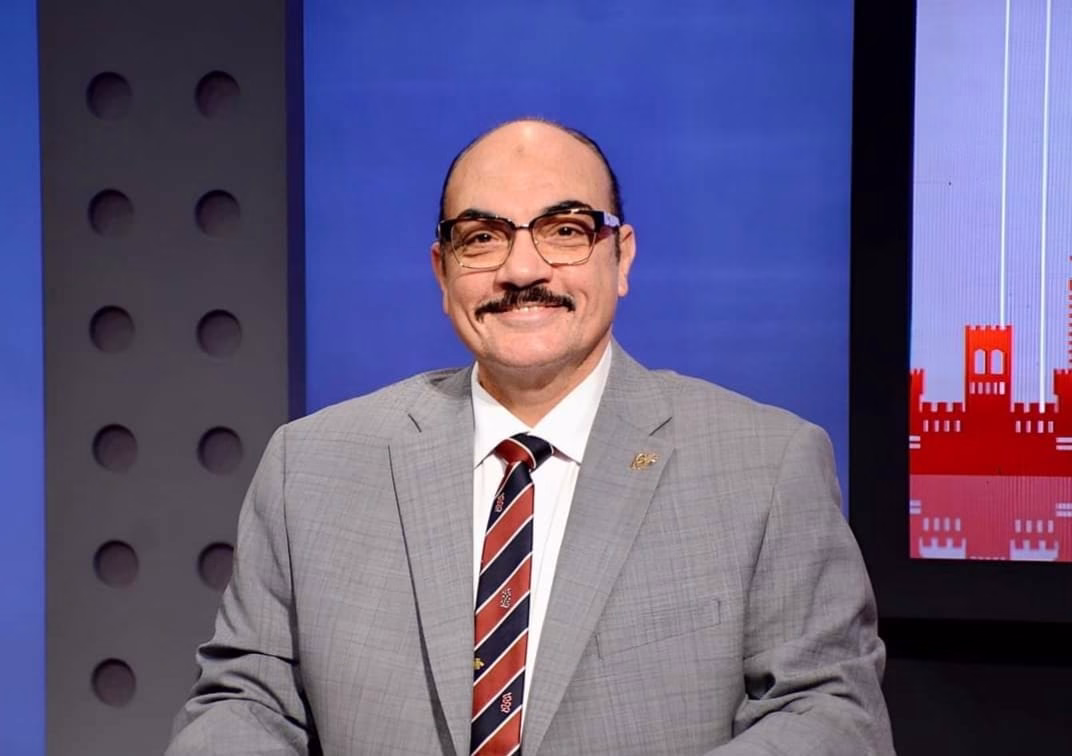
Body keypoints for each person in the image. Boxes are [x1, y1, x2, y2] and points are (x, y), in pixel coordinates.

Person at [167, 118, 895, 755]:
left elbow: (832, 718)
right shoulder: (311, 466)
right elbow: (244, 704)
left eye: (564, 230)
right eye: (481, 238)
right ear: (442, 272)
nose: (522, 269)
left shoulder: (765, 465)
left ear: (622, 257)